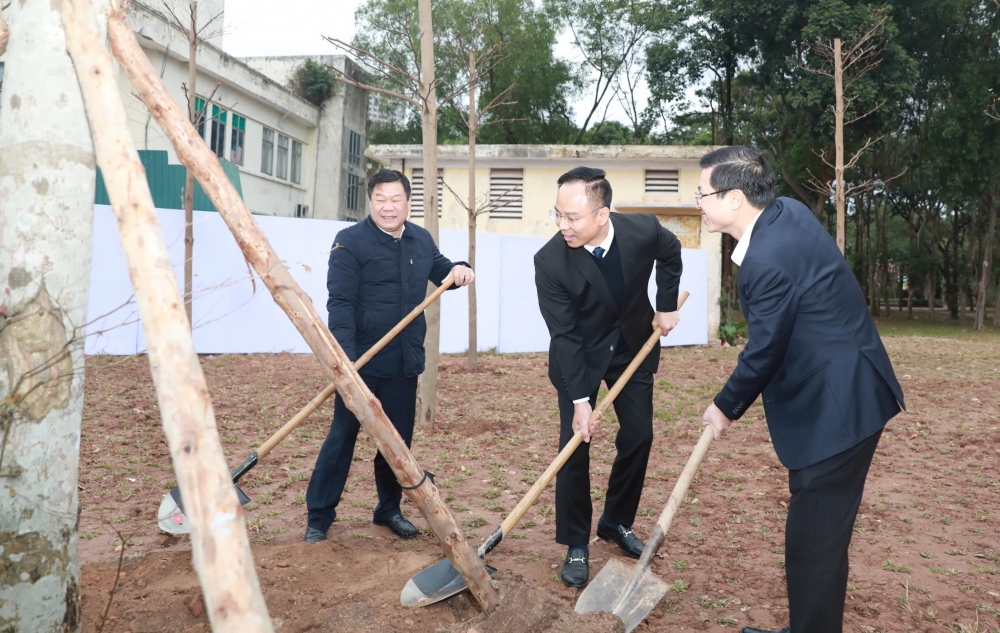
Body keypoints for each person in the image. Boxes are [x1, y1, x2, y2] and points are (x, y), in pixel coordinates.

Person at [696, 147, 905, 633]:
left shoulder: (766, 260)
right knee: (816, 540)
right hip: (845, 385)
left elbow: (764, 349)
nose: (698, 203)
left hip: (840, 408)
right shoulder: (785, 212)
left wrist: (724, 406)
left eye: (702, 194)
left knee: (814, 544)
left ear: (734, 198)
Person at [304, 169, 474, 543]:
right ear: (370, 201)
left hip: (404, 360)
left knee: (397, 442)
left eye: (396, 199)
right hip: (362, 361)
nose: (388, 206)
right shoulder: (350, 242)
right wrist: (346, 364)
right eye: (380, 198)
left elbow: (442, 270)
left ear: (408, 202)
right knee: (342, 437)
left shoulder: (420, 239)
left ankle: (388, 508)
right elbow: (340, 304)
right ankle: (319, 516)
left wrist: (460, 268)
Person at [534, 167, 684, 587]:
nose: (562, 225)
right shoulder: (550, 261)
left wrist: (666, 305)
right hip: (579, 357)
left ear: (602, 214)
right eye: (558, 214)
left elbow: (671, 252)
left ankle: (616, 521)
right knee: (575, 446)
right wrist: (580, 401)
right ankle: (576, 542)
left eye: (572, 217)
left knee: (639, 435)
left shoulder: (642, 230)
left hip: (632, 346)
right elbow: (564, 335)